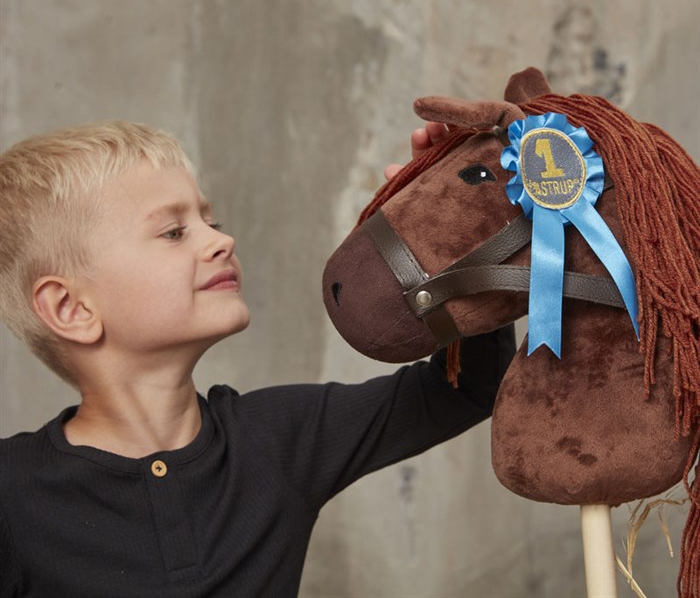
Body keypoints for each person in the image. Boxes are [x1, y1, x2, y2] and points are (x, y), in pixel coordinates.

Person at [0, 120, 514, 597]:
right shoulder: (12, 493)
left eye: (210, 220)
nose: (222, 240)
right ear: (70, 308)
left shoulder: (278, 438)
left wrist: (448, 246)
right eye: (174, 232)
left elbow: (468, 388)